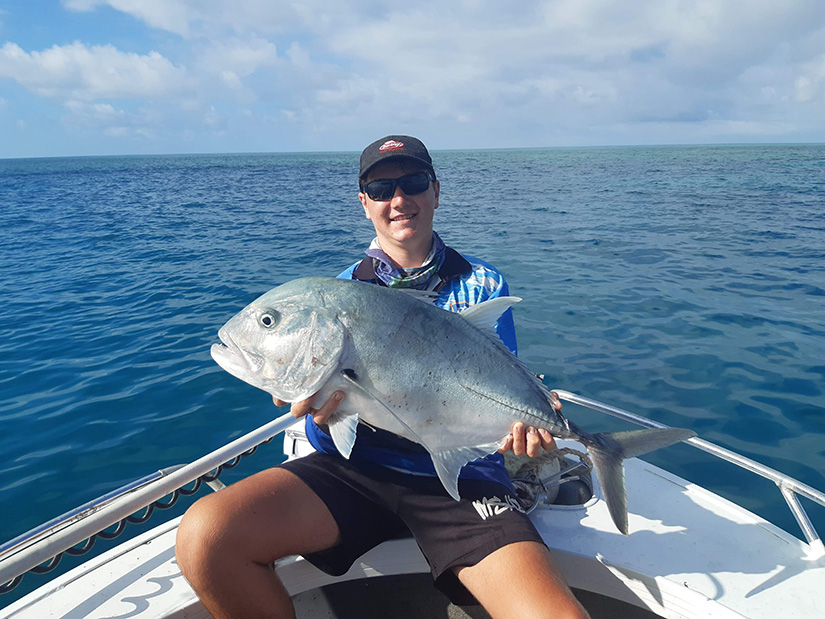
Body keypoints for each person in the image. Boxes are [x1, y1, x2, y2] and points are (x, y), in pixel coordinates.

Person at [176, 135, 590, 619]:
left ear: (435, 190)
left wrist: (530, 429)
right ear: (364, 203)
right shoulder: (342, 290)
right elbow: (331, 409)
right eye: (380, 188)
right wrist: (316, 412)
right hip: (354, 473)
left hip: (464, 480)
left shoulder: (483, 284)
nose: (399, 199)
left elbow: (498, 391)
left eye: (413, 182)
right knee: (209, 537)